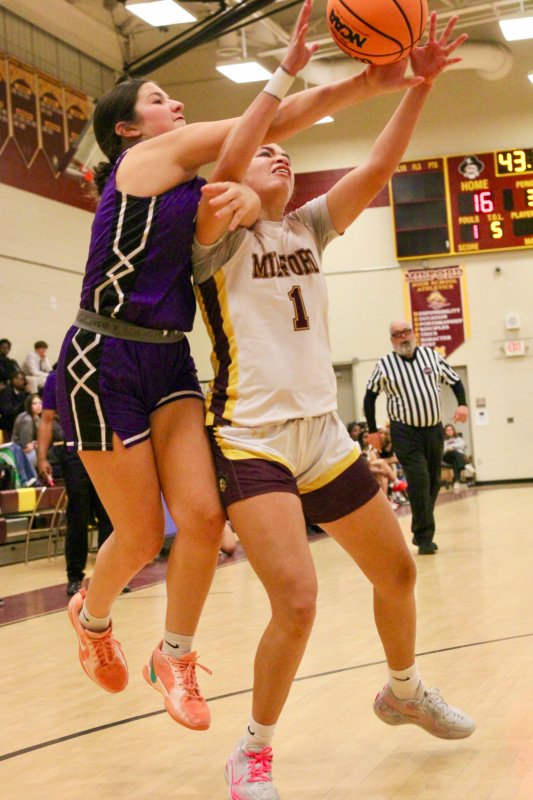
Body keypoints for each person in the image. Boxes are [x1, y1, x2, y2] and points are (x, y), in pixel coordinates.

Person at [58, 0, 419, 725]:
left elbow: (261, 149)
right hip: (104, 353)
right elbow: (260, 131)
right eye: (159, 99)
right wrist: (334, 79)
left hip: (169, 358)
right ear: (127, 128)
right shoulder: (142, 161)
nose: (175, 105)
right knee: (139, 534)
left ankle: (174, 656)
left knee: (200, 518)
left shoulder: (205, 191)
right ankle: (91, 618)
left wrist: (375, 83)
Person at [192, 12, 474, 798]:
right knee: (297, 599)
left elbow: (378, 165)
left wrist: (419, 86)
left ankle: (402, 691)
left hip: (322, 434)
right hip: (251, 438)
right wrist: (281, 76)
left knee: (398, 573)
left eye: (287, 152)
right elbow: (232, 157)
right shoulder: (213, 233)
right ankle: (252, 751)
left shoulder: (308, 227)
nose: (279, 156)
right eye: (265, 152)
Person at [364, 320, 469, 554]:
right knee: (420, 480)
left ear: (413, 333)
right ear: (392, 340)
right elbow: (369, 397)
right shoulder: (385, 365)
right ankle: (424, 538)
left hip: (433, 430)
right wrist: (372, 431)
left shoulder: (431, 356)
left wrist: (462, 404)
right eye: (397, 334)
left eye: (406, 332)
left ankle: (420, 526)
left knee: (433, 481)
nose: (403, 337)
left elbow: (455, 380)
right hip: (405, 432)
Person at [37, 370, 115, 596]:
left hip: (105, 448)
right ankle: (74, 577)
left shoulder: (104, 368)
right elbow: (47, 419)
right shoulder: (56, 377)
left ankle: (109, 576)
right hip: (73, 451)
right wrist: (41, 458)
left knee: (109, 513)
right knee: (78, 511)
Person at [12, 393, 42, 467]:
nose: (38, 405)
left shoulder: (37, 417)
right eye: (35, 403)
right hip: (20, 452)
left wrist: (35, 443)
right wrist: (36, 444)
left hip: (30, 449)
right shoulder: (27, 419)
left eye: (40, 403)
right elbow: (26, 446)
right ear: (29, 405)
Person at [442, 422, 475, 489]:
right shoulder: (443, 440)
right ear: (445, 432)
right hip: (447, 457)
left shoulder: (459, 439)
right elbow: (443, 449)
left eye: (451, 429)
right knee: (455, 454)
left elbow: (462, 445)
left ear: (454, 430)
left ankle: (456, 482)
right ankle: (466, 464)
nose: (449, 431)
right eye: (447, 430)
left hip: (457, 457)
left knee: (456, 460)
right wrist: (451, 448)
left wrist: (452, 447)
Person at [0, 371, 29, 441]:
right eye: (16, 378)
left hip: (19, 423)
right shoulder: (6, 391)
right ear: (12, 379)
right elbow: (6, 410)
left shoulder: (23, 393)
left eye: (21, 379)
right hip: (8, 424)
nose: (18, 381)